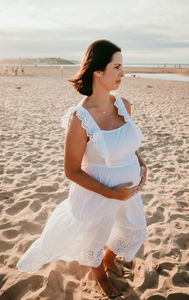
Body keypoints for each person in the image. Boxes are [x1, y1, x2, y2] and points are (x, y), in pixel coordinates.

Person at [16, 39, 147, 298]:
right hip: (98, 193)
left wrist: (141, 163)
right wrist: (111, 193)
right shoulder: (80, 119)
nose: (123, 73)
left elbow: (128, 142)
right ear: (98, 71)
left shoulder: (124, 104)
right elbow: (72, 171)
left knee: (134, 228)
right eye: (117, 67)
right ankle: (98, 273)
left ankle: (109, 259)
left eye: (123, 67)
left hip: (129, 191)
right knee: (95, 239)